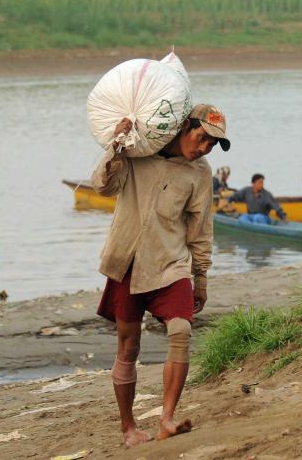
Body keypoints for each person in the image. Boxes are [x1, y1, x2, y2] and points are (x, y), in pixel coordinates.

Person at [92, 103, 230, 448]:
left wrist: (202, 277)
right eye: (203, 138)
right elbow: (102, 187)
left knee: (181, 330)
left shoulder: (200, 172)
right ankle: (128, 428)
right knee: (128, 345)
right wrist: (116, 144)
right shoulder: (139, 151)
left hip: (171, 265)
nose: (205, 148)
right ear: (185, 126)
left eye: (213, 144)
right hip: (128, 261)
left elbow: (201, 228)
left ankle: (166, 419)